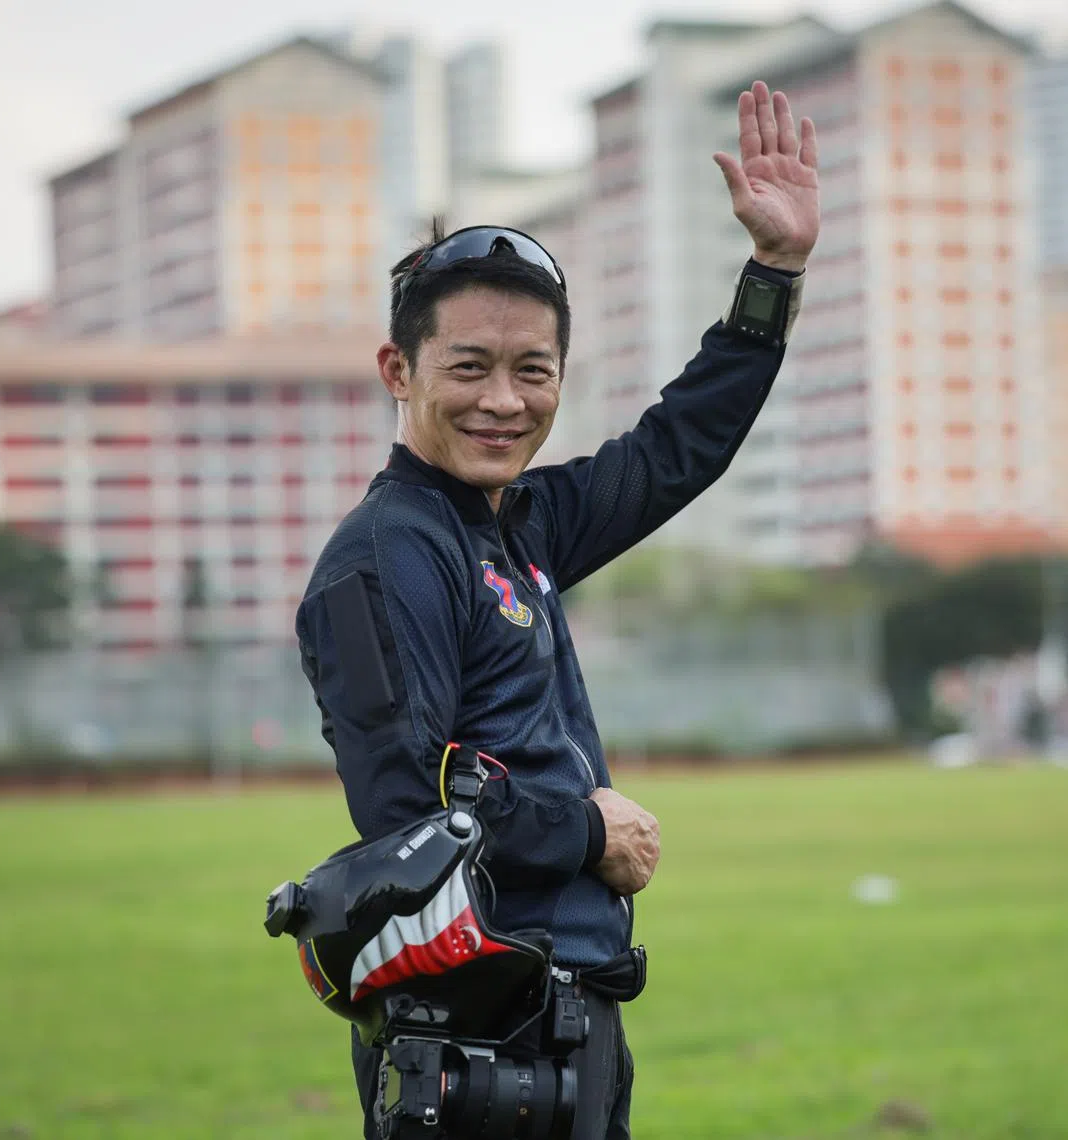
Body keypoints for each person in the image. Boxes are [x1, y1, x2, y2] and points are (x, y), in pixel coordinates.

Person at [295, 80, 820, 1140]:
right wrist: (587, 830)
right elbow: (406, 811)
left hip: (560, 1018)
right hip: (473, 1034)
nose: (504, 400)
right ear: (399, 370)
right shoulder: (386, 557)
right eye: (470, 367)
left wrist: (775, 272)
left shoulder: (517, 523)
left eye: (532, 371)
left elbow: (676, 449)